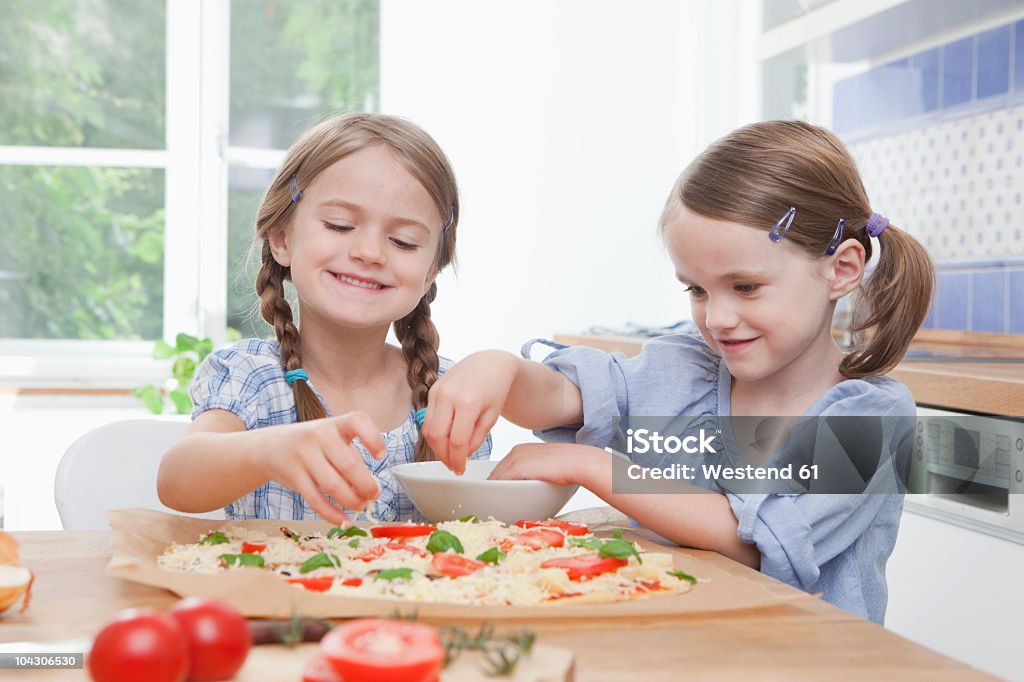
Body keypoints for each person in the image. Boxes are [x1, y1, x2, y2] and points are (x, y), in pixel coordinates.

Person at [422, 120, 934, 623]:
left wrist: (590, 466)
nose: (717, 318)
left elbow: (754, 541)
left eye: (747, 287)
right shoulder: (686, 370)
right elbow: (563, 395)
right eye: (697, 290)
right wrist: (500, 370)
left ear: (841, 269)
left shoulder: (872, 419)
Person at [158, 113, 491, 525]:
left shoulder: (451, 396)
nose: (370, 252)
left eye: (403, 241)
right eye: (340, 225)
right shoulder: (253, 378)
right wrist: (267, 451)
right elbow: (177, 477)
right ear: (281, 238)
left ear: (429, 274)